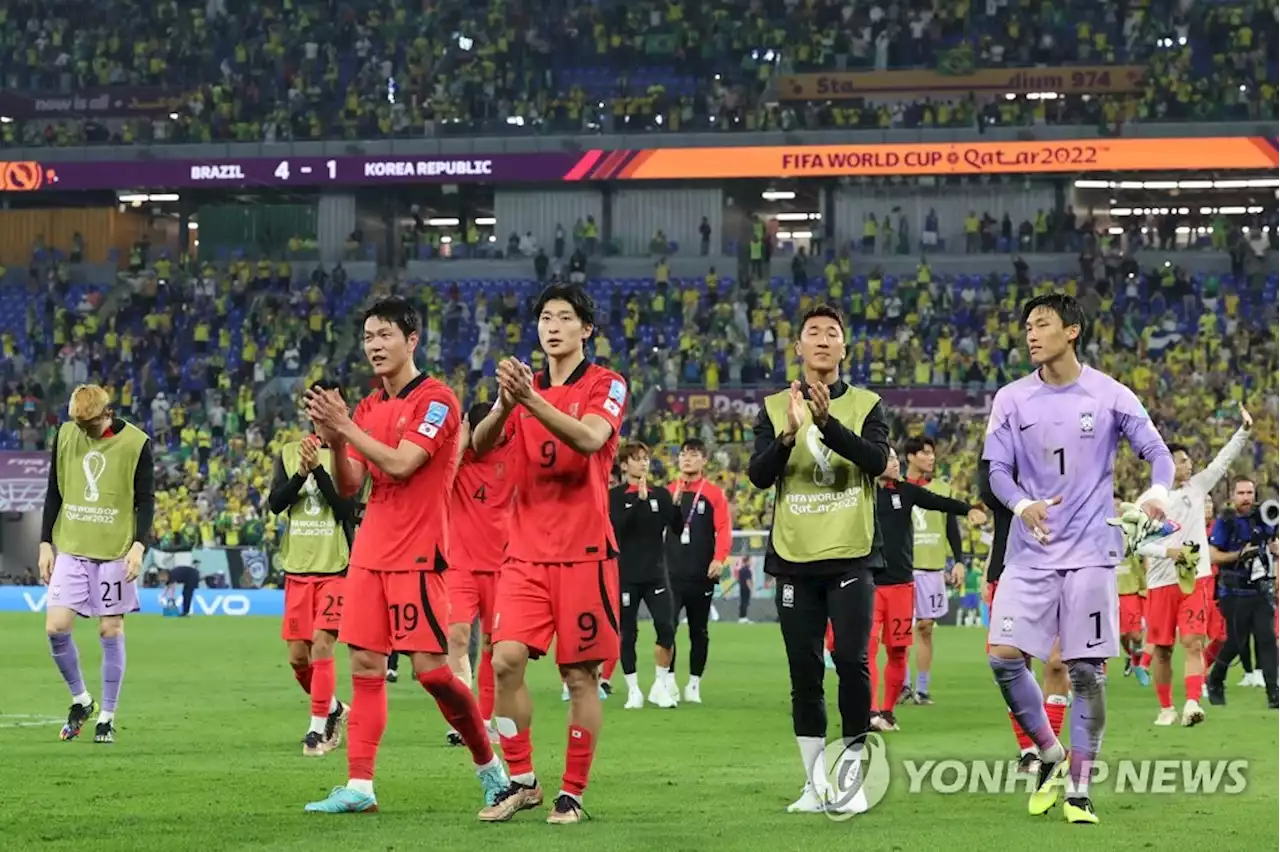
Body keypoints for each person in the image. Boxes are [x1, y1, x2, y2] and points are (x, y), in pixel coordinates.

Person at [302, 296, 507, 814]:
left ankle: (490, 767)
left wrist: (346, 428)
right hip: (371, 550)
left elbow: (402, 463)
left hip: (419, 553)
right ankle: (360, 787)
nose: (374, 345)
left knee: (433, 672)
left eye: (384, 335)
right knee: (365, 664)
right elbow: (352, 487)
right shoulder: (369, 407)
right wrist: (335, 440)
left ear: (412, 340)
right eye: (368, 336)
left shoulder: (437, 400)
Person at [984, 293, 1173, 825]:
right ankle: (1050, 753)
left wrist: (1156, 494)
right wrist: (1023, 505)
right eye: (1026, 326)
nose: (1030, 334)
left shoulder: (1110, 395)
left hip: (1091, 554)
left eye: (1041, 325)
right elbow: (995, 469)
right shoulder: (1010, 399)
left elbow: (1157, 453)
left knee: (1086, 672)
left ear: (1071, 331)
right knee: (1002, 656)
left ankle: (1080, 790)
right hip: (1031, 552)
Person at [470, 283, 626, 824]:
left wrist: (529, 401)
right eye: (544, 317)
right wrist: (503, 404)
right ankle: (522, 780)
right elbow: (479, 445)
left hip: (584, 554)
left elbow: (588, 439)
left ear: (586, 330)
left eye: (564, 318)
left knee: (580, 677)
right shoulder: (523, 392)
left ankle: (573, 793)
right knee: (504, 660)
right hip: (526, 554)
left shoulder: (607, 384)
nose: (551, 326)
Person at [746, 304, 889, 815]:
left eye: (833, 333)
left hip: (851, 556)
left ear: (844, 349)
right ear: (800, 348)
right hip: (793, 558)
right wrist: (788, 436)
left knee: (851, 663)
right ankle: (814, 783)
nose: (823, 340)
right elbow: (759, 476)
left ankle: (850, 780)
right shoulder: (770, 407)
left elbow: (876, 462)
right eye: (814, 333)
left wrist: (828, 424)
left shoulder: (868, 404)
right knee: (804, 673)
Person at [39, 383, 154, 745]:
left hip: (114, 550)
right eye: (77, 423)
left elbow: (146, 500)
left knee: (110, 630)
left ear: (106, 413)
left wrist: (138, 546)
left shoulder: (137, 444)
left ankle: (107, 714)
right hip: (72, 545)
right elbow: (54, 491)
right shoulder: (66, 435)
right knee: (56, 627)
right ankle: (81, 700)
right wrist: (45, 542)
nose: (82, 431)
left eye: (88, 424)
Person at [1135, 408, 1252, 726]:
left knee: (1193, 642)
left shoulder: (1197, 488)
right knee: (1161, 649)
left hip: (1194, 578)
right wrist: (1167, 551)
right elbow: (1138, 545)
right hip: (1161, 582)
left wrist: (1243, 430)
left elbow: (1222, 462)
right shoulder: (1148, 501)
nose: (1188, 465)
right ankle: (1166, 707)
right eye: (1182, 460)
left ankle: (1191, 703)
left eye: (1188, 460)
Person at [870, 447, 985, 732]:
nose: (895, 463)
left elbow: (938, 502)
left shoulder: (906, 492)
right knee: (867, 650)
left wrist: (969, 509)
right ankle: (869, 710)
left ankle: (887, 712)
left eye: (897, 458)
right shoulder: (862, 494)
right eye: (890, 459)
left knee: (898, 651)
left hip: (900, 585)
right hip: (869, 584)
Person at [268, 394, 357, 757]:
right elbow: (276, 504)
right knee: (297, 659)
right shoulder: (289, 453)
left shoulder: (349, 454)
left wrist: (318, 470)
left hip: (334, 567)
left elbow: (345, 509)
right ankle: (334, 708)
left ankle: (316, 729)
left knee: (323, 644)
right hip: (297, 568)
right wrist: (301, 473)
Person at [978, 459, 1070, 777]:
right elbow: (987, 485)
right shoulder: (1007, 481)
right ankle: (1029, 750)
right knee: (1016, 665)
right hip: (1012, 573)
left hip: (1065, 573)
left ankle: (1051, 749)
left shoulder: (1073, 473)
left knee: (1058, 664)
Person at [444, 402, 516, 744]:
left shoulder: (511, 454)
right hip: (459, 564)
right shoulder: (458, 460)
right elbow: (439, 482)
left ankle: (488, 718)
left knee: (494, 645)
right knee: (457, 636)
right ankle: (463, 716)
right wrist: (461, 439)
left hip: (502, 566)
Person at [609, 441, 679, 710]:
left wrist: (674, 508)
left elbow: (676, 526)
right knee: (628, 634)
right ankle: (633, 689)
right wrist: (637, 504)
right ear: (625, 465)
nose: (644, 463)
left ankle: (660, 687)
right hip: (626, 575)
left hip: (656, 575)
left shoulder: (660, 494)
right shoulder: (614, 497)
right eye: (637, 459)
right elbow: (617, 529)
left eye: (646, 458)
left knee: (667, 628)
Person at [666, 438, 732, 705]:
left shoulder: (714, 494)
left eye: (693, 455)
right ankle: (667, 681)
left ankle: (694, 683)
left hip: (701, 574)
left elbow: (724, 529)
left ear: (704, 460)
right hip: (670, 573)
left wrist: (719, 559)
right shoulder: (669, 491)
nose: (687, 459)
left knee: (699, 631)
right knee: (666, 630)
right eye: (683, 455)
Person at [901, 435, 966, 705]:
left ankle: (923, 688)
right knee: (899, 630)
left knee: (925, 627)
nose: (931, 458)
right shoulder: (895, 487)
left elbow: (951, 526)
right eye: (925, 453)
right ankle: (902, 684)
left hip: (931, 568)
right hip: (901, 568)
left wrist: (959, 560)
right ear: (910, 457)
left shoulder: (942, 489)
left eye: (932, 453)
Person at [1205, 478, 1280, 708]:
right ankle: (1215, 679)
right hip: (1233, 591)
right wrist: (1240, 555)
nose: (1246, 497)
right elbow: (1213, 556)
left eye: (1250, 492)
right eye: (1241, 493)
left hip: (1260, 590)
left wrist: (1276, 550)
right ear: (1232, 495)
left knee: (1267, 640)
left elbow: (1273, 545)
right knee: (1236, 643)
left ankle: (1273, 695)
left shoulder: (1265, 517)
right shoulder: (1225, 522)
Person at [1116, 549, 1149, 686]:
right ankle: (1131, 656)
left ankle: (1137, 665)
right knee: (1123, 635)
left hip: (1132, 593)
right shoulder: (1108, 536)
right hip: (1112, 592)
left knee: (1136, 636)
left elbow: (1146, 562)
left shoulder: (1135, 538)